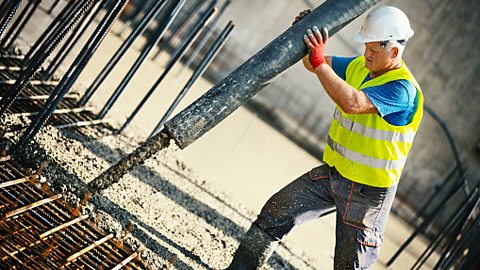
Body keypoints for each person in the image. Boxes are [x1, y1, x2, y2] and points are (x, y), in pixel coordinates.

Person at [226, 5, 424, 270]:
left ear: (395, 51)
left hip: (368, 194)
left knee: (348, 264)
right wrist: (304, 37)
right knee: (277, 211)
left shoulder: (402, 89)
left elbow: (353, 102)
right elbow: (313, 63)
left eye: (374, 49)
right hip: (335, 175)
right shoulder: (360, 67)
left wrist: (319, 62)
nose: (366, 54)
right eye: (366, 46)